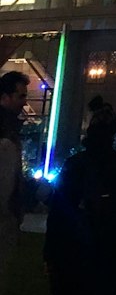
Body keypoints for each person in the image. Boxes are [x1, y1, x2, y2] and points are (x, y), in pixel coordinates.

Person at [44, 96, 116, 295]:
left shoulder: (76, 164)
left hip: (72, 253)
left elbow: (58, 212)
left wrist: (50, 253)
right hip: (106, 254)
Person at [0, 70, 28, 294]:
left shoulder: (9, 130)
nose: (24, 102)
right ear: (4, 97)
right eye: (20, 96)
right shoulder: (6, 135)